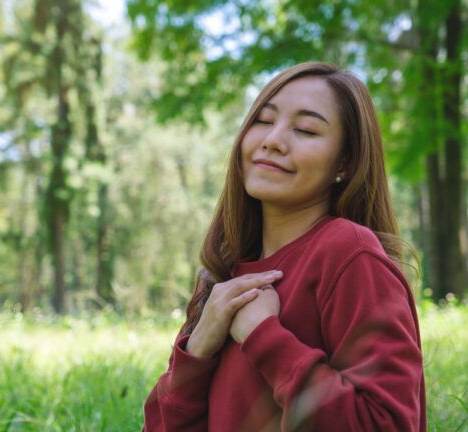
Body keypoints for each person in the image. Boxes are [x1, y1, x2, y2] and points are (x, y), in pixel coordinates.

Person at [143, 61, 426, 431]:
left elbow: (384, 423)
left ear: (345, 162)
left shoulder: (349, 254)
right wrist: (196, 352)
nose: (272, 140)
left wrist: (264, 336)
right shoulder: (224, 275)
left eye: (306, 129)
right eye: (262, 120)